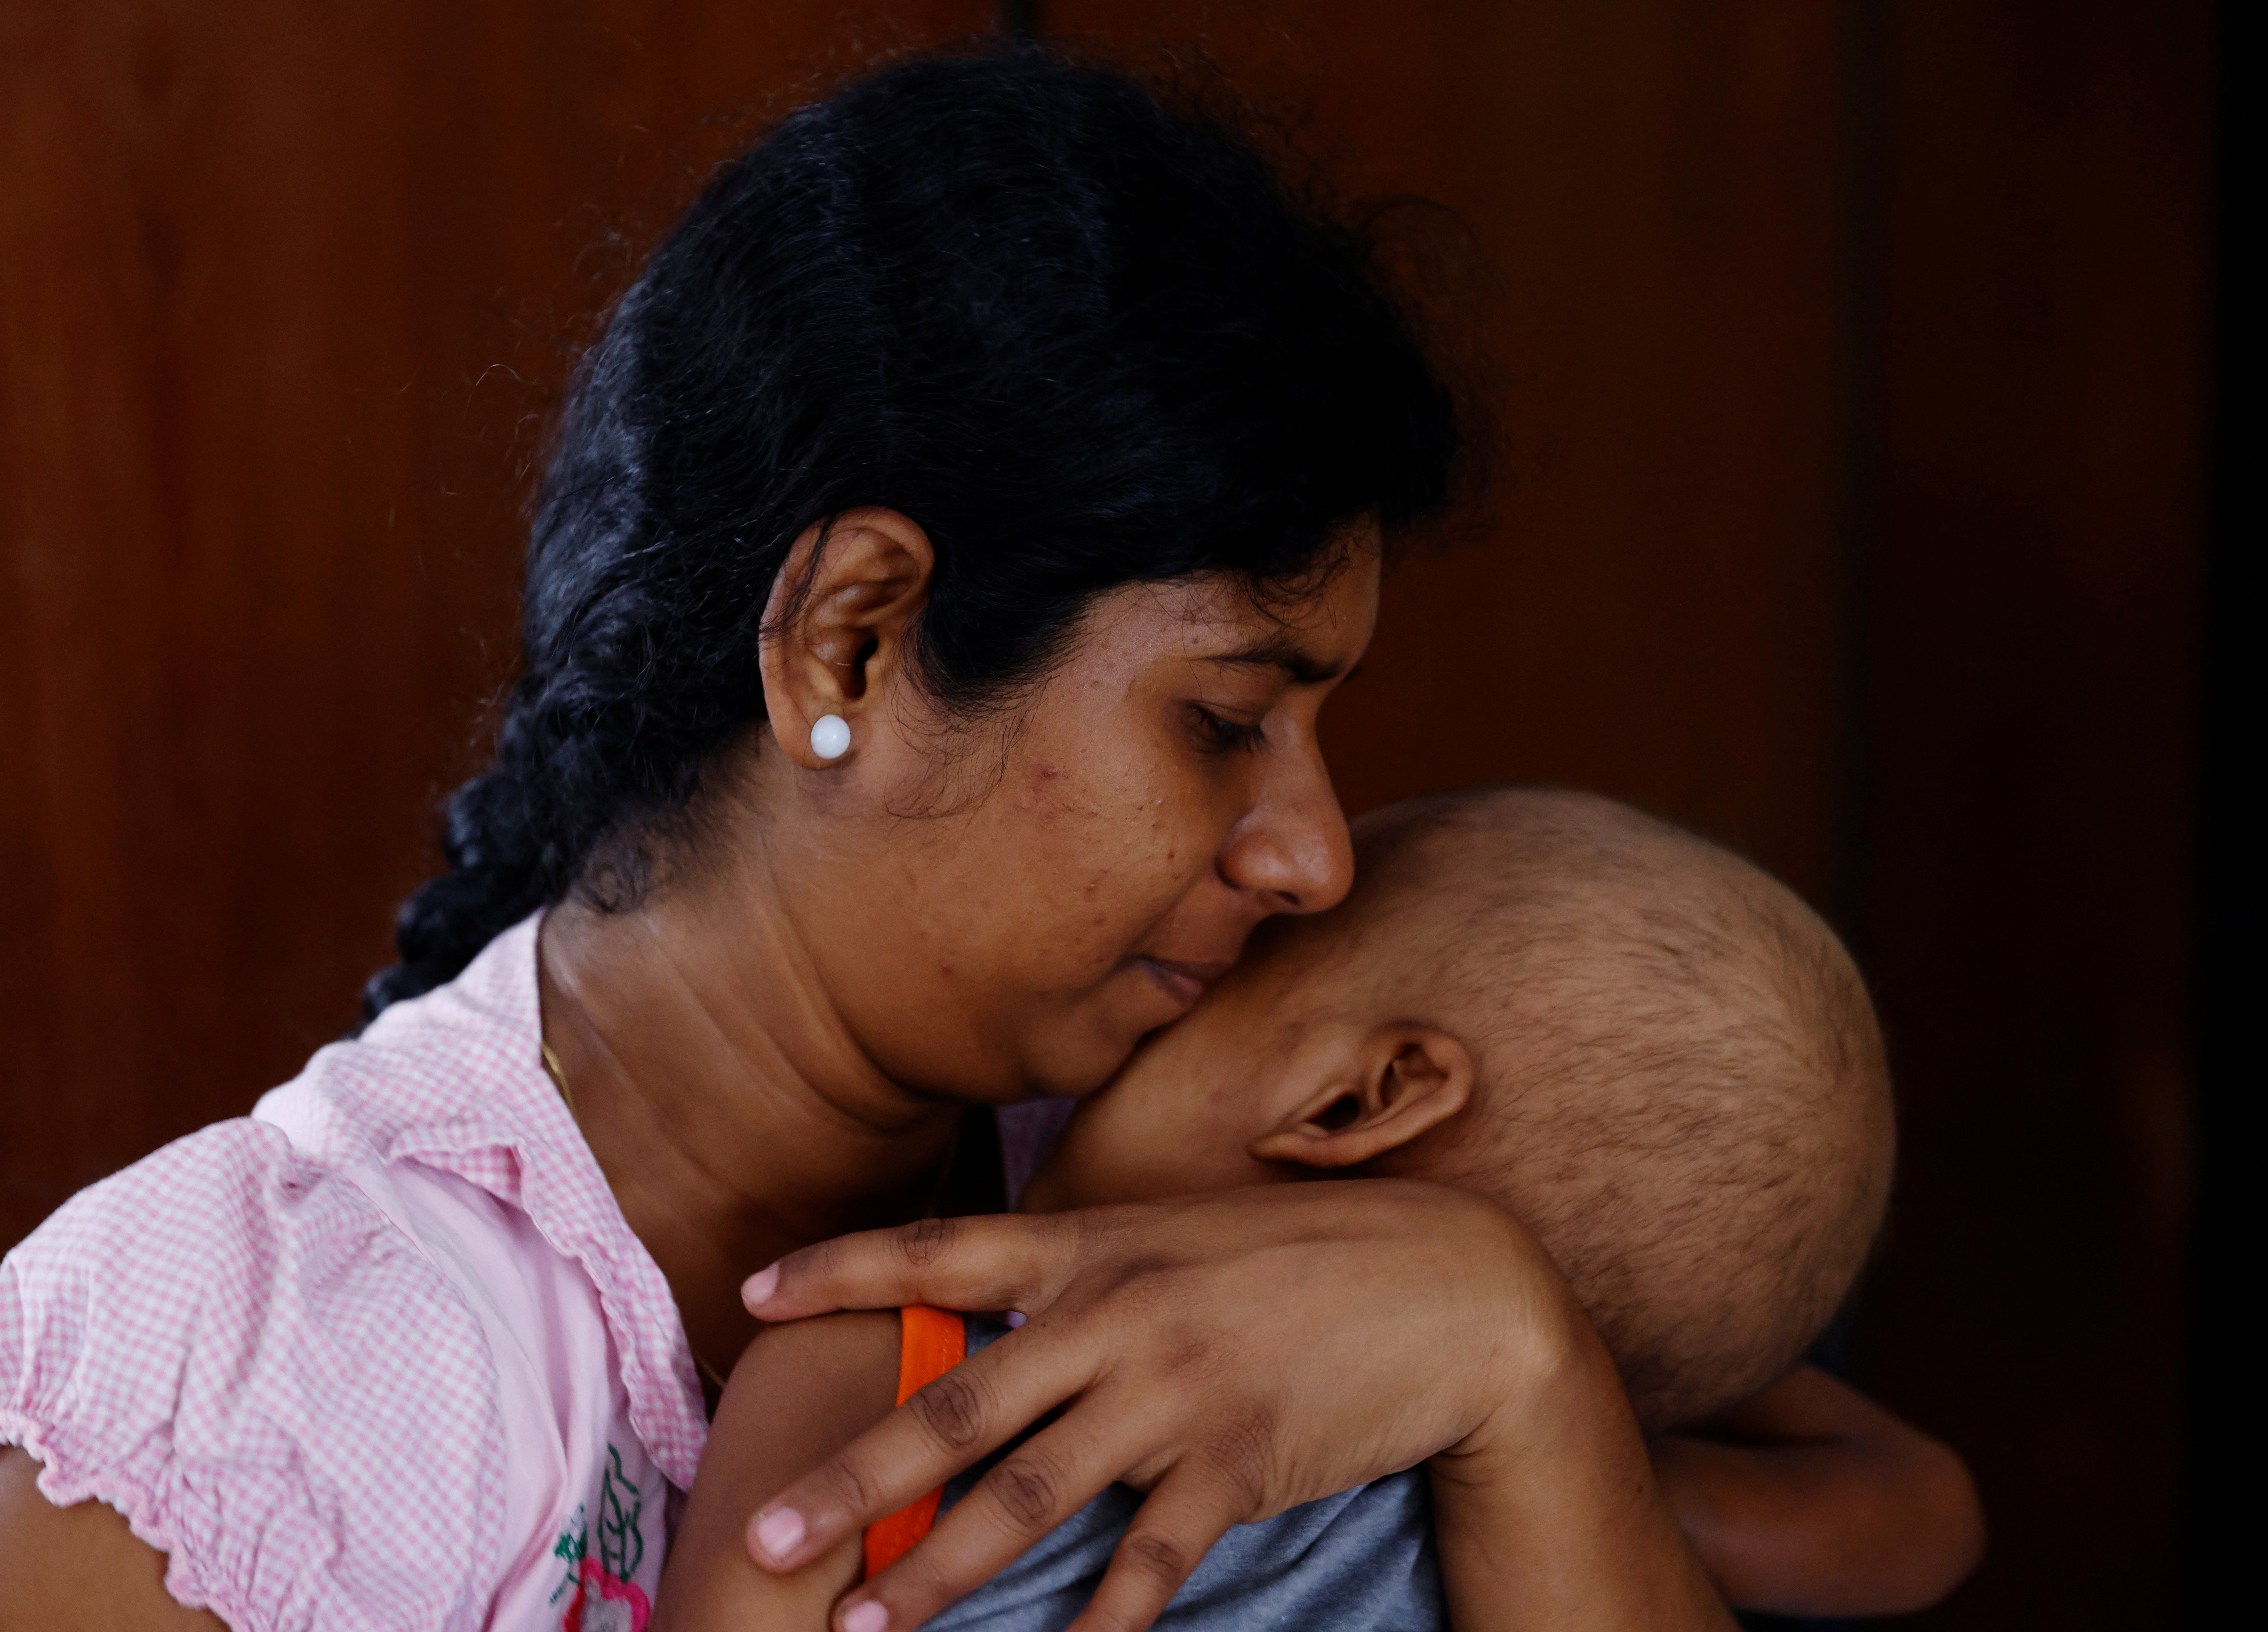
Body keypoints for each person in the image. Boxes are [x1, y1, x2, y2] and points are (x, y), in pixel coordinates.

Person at [0, 42, 1758, 1632]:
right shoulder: (237, 1377)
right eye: (1225, 721)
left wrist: (1516, 1361)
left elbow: (1857, 1487)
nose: (1313, 854)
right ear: (852, 636)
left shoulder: (1205, 1151)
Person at [655, 788, 1984, 1630]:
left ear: (1360, 1104)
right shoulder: (1575, 1524)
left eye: (1241, 963)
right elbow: (1916, 1510)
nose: (1195, 951)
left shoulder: (884, 1383)